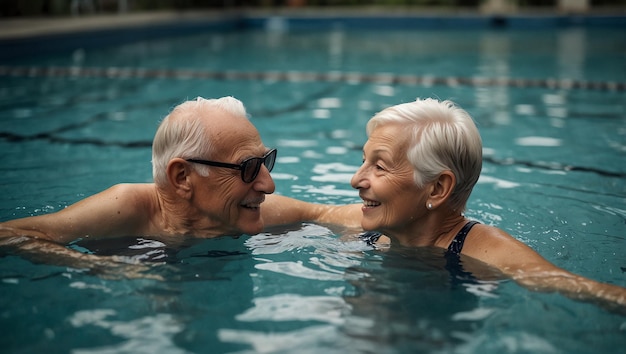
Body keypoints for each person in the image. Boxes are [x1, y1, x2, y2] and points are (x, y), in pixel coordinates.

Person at [264, 97, 626, 312]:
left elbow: (575, 286)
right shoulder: (373, 223)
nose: (356, 180)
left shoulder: (485, 249)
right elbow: (307, 211)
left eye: (379, 166)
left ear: (436, 188)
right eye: (363, 161)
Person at [0, 96, 291, 272]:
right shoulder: (127, 207)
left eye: (265, 161)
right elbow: (10, 234)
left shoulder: (245, 209)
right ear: (182, 178)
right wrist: (102, 266)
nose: (268, 185)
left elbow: (331, 214)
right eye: (249, 167)